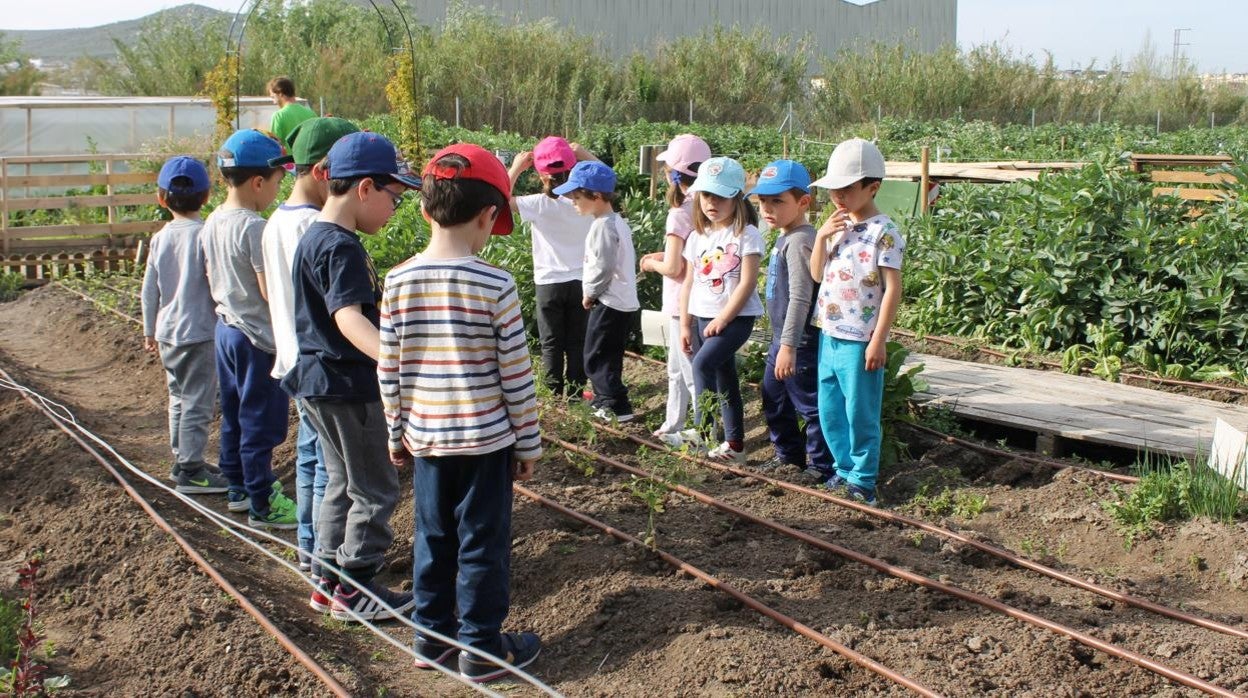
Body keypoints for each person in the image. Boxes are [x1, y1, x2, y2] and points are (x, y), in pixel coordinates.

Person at [378, 143, 542, 682]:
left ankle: (431, 639)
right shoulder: (496, 285)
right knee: (482, 543)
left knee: (432, 538)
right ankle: (481, 648)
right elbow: (515, 375)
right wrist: (528, 443)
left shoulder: (398, 281)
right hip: (486, 444)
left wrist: (395, 432)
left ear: (425, 209)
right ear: (488, 216)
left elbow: (390, 369)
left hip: (426, 439)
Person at [284, 131, 421, 621]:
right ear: (365, 188)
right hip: (347, 385)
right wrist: (397, 359)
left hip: (319, 384)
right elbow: (348, 319)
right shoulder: (340, 247)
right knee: (376, 489)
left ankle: (327, 582)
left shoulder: (317, 237)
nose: (394, 210)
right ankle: (356, 587)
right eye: (395, 198)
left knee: (342, 483)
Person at [262, 116, 359, 572]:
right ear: (324, 170)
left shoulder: (275, 220)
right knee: (330, 469)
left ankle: (308, 548)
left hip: (292, 358)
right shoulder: (315, 228)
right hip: (318, 361)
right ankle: (325, 559)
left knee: (310, 459)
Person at [201, 129, 297, 529]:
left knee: (235, 413)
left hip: (226, 330)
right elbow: (267, 290)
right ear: (259, 181)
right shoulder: (253, 227)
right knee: (262, 421)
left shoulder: (212, 221)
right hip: (257, 339)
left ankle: (236, 485)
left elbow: (210, 275)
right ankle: (262, 500)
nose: (277, 190)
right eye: (277, 182)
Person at [809, 138, 905, 506]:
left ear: (872, 187)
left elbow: (892, 289)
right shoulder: (836, 226)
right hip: (829, 332)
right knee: (830, 408)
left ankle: (863, 480)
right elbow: (817, 274)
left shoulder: (885, 232)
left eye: (847, 188)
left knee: (859, 410)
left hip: (860, 338)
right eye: (834, 188)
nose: (838, 195)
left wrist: (879, 340)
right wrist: (821, 237)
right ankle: (843, 469)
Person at [140, 155, 227, 494]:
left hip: (168, 332)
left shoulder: (160, 237)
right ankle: (191, 469)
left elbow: (150, 289)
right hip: (199, 332)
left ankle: (182, 458)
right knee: (198, 401)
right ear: (207, 197)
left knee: (178, 396)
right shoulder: (205, 235)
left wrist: (149, 330)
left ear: (161, 199)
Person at [675, 157, 765, 465]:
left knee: (702, 365)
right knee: (725, 376)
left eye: (721, 196)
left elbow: (747, 282)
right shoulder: (698, 236)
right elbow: (688, 283)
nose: (712, 202)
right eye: (706, 195)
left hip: (735, 318)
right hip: (701, 316)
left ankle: (702, 433)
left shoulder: (746, 234)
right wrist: (685, 324)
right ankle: (735, 445)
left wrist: (723, 319)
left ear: (737, 197)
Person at [750, 160, 834, 481]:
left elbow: (800, 297)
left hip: (799, 342)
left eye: (777, 201)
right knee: (774, 395)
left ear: (803, 202)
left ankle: (820, 467)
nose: (767, 209)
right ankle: (788, 456)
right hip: (783, 339)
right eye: (763, 201)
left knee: (809, 404)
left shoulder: (800, 240)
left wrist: (789, 346)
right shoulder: (787, 235)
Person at [507, 136, 597, 399]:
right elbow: (609, 179)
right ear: (572, 167)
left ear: (541, 175)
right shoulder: (588, 200)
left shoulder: (537, 203)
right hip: (583, 281)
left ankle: (554, 395)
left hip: (548, 283)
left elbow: (500, 198)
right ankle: (576, 394)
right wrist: (585, 153)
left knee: (551, 343)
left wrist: (515, 167)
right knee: (578, 342)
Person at [554, 160, 639, 422]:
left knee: (595, 355)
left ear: (597, 196)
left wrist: (589, 293)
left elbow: (602, 266)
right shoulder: (613, 221)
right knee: (608, 354)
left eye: (577, 197)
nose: (573, 202)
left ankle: (612, 403)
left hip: (609, 300)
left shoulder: (604, 226)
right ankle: (612, 401)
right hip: (620, 300)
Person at [640, 134, 710, 445]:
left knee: (689, 371)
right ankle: (673, 423)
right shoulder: (707, 205)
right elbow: (686, 256)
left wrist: (650, 263)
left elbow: (674, 268)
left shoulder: (679, 212)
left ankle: (700, 433)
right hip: (701, 299)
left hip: (680, 304)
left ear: (675, 173)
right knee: (678, 370)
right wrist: (663, 256)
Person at [267, 76, 318, 149]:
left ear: (280, 93)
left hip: (289, 159)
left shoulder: (278, 116)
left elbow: (274, 145)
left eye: (273, 97)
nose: (273, 102)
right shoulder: (311, 113)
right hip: (309, 159)